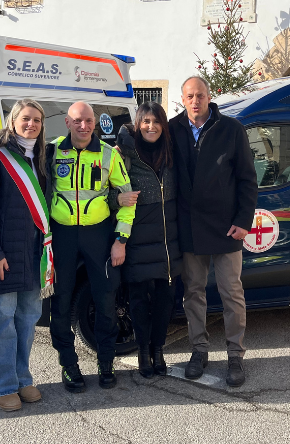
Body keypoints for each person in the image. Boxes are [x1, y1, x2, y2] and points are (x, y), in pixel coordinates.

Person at [169, 76, 258, 387]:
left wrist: (244, 221)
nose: (196, 101)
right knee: (193, 294)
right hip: (190, 228)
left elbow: (248, 179)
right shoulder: (172, 129)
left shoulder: (231, 129)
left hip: (226, 229)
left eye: (201, 96)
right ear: (182, 99)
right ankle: (199, 350)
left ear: (210, 97)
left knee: (231, 294)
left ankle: (235, 355)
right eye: (190, 96)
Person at [45, 102, 135, 392]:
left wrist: (120, 240)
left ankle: (105, 361)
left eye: (88, 121)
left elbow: (127, 200)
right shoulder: (51, 150)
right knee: (60, 301)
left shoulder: (109, 155)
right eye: (77, 121)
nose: (83, 126)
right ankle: (68, 364)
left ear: (94, 123)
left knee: (106, 299)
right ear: (68, 123)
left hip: (100, 235)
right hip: (62, 236)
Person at [0, 99, 51, 411]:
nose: (31, 124)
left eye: (36, 120)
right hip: (4, 257)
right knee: (0, 324)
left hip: (34, 255)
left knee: (26, 320)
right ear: (13, 121)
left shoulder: (40, 158)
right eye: (25, 118)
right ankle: (2, 384)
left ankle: (22, 377)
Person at [109, 102, 183, 379]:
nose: (151, 126)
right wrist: (117, 199)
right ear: (138, 124)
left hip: (169, 241)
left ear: (163, 125)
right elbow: (107, 193)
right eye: (145, 121)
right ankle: (142, 352)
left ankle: (159, 349)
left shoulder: (172, 152)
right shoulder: (123, 155)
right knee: (139, 301)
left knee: (166, 300)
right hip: (137, 238)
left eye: (156, 121)